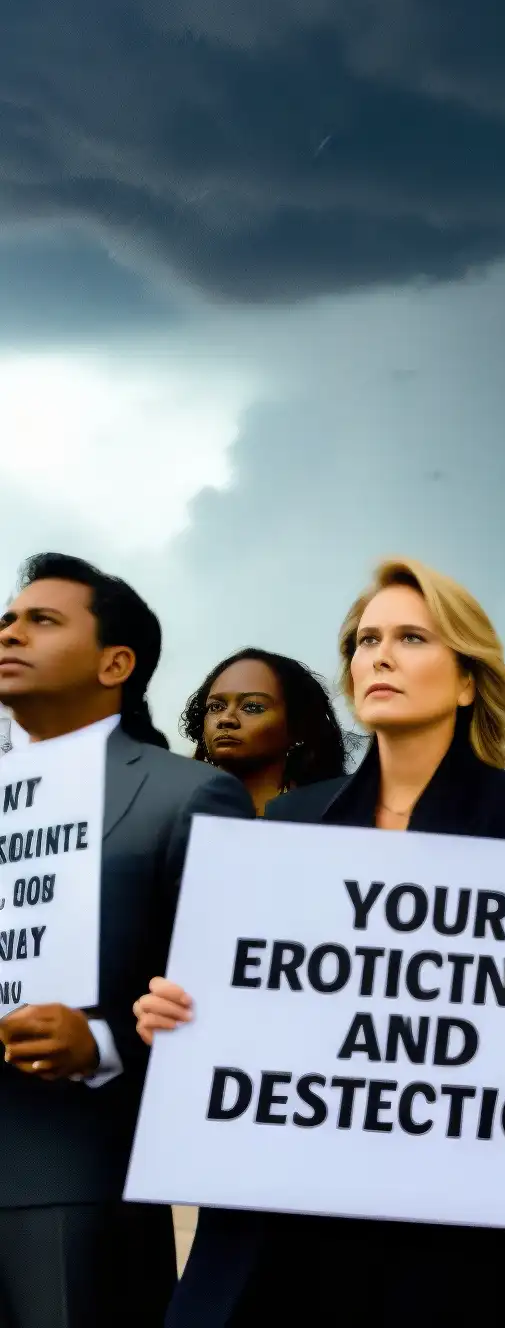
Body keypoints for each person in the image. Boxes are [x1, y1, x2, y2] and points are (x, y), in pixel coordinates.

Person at [134, 558, 505, 1328]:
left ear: (465, 680)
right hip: (274, 1228)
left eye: (411, 637)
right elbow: (264, 1006)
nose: (378, 655)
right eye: (366, 639)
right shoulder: (289, 826)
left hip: (440, 1240)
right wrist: (183, 1018)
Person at [0, 553, 256, 1328]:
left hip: (66, 1175)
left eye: (41, 620)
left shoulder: (189, 795)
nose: (9, 631)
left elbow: (239, 995)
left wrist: (104, 1044)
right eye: (8, 618)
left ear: (117, 662)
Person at [180, 647, 352, 815]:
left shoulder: (337, 812)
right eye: (216, 706)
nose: (226, 719)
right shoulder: (177, 810)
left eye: (252, 707)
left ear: (298, 725)